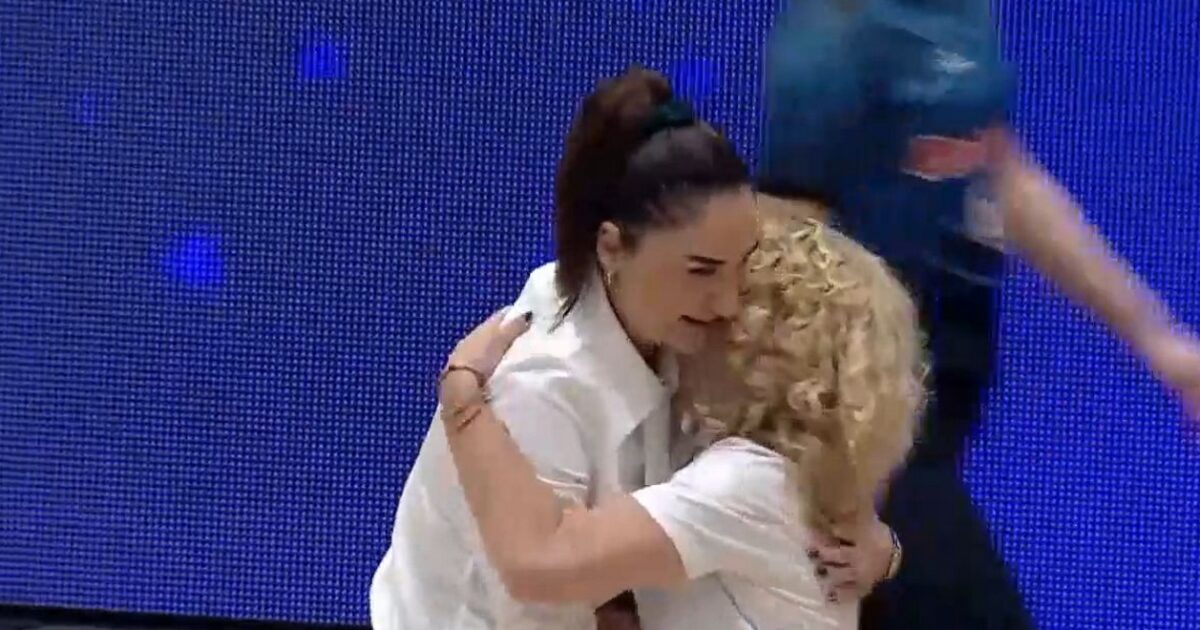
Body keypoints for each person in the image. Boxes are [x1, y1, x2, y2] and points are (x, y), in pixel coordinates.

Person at [757, 1, 1200, 628]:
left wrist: (1161, 343)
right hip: (866, 411)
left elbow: (1005, 176)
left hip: (947, 391)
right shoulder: (833, 36)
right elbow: (788, 241)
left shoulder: (965, 15)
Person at [369, 65, 760, 629]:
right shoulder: (541, 387)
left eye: (744, 264)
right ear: (612, 247)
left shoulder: (671, 317)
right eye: (701, 271)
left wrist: (871, 543)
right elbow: (537, 601)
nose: (729, 301)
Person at [436, 212, 927, 629]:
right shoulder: (795, 468)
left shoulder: (749, 481)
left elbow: (542, 563)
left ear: (759, 342)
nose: (706, 308)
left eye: (727, 303)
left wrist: (464, 403)